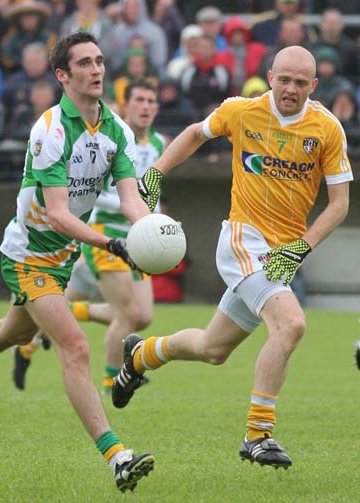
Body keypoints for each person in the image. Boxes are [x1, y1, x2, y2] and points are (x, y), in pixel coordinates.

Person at [0, 31, 154, 493]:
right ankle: (118, 457)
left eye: (100, 60)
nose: (97, 69)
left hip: (62, 257)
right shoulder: (50, 129)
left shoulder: (117, 130)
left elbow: (131, 202)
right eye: (84, 63)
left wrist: (150, 233)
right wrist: (112, 246)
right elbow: (60, 214)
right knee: (75, 347)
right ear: (63, 76)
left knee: (13, 333)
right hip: (28, 255)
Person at [112, 45, 352, 469]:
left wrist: (300, 247)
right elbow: (194, 134)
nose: (291, 89)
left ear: (313, 86)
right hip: (243, 239)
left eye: (301, 83)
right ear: (271, 76)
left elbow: (339, 204)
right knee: (291, 323)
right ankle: (258, 434)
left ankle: (141, 354)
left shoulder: (327, 129)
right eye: (285, 80)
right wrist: (155, 173)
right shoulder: (242, 111)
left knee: (212, 348)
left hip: (282, 252)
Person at [13, 78, 166, 395]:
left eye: (152, 101)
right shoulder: (104, 131)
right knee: (130, 314)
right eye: (139, 100)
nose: (146, 107)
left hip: (137, 235)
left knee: (143, 316)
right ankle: (114, 380)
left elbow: (147, 193)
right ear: (125, 104)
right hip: (103, 231)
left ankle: (35, 338)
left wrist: (156, 227)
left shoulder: (159, 144)